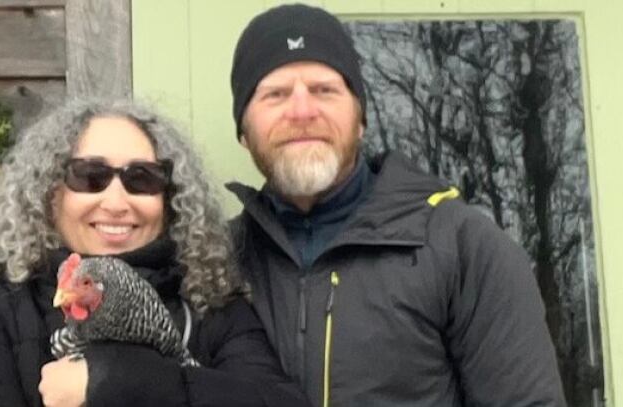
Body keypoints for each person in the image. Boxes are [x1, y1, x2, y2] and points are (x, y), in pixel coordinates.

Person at [226, 3, 567, 407]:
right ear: (244, 132)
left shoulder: (461, 245)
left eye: (324, 90)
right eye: (275, 94)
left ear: (361, 119)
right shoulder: (219, 261)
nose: (302, 111)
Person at [0, 99, 310, 407]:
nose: (116, 202)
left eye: (141, 179)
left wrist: (119, 380)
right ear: (49, 193)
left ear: (169, 198)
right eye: (90, 177)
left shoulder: (210, 301)